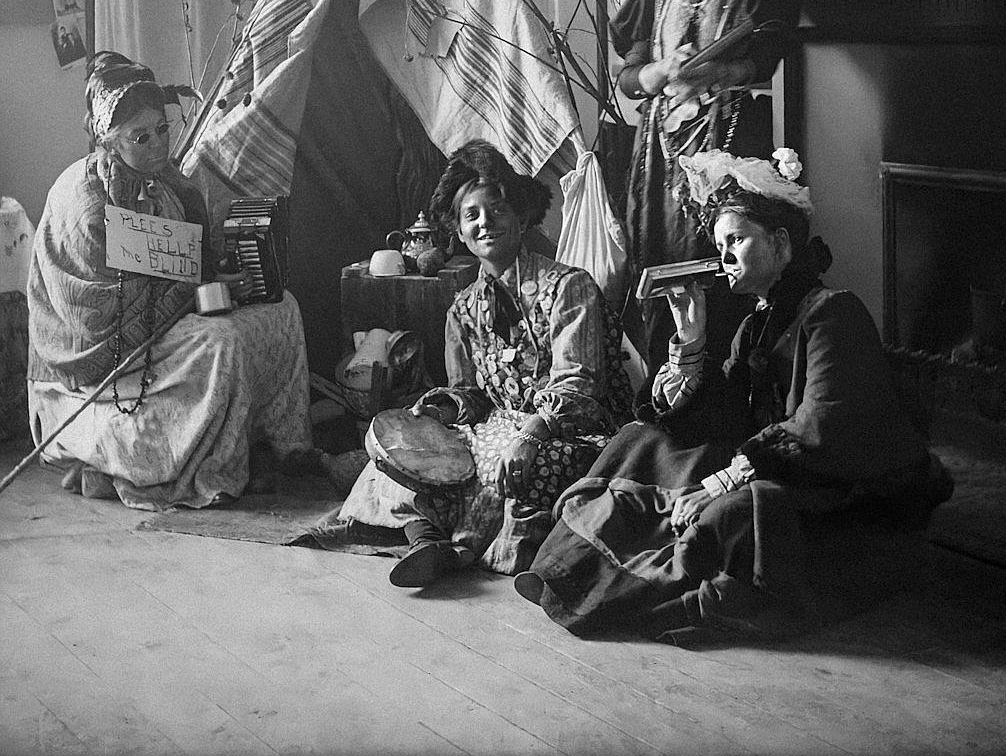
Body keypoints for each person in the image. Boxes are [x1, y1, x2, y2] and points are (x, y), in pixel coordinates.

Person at [514, 148, 953, 642]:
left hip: (839, 486)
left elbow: (822, 428)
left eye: (736, 241)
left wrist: (721, 481)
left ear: (781, 244)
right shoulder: (752, 328)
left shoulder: (834, 313)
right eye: (720, 244)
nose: (723, 258)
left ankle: (623, 597)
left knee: (729, 511)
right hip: (773, 466)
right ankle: (568, 573)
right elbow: (723, 419)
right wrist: (692, 340)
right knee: (640, 439)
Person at [335, 140, 634, 587]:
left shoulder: (570, 287)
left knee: (518, 463)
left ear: (521, 216)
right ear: (458, 229)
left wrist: (531, 433)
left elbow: (580, 384)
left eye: (497, 211)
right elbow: (471, 396)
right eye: (471, 215)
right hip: (496, 426)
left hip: (573, 430)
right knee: (405, 455)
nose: (485, 223)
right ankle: (427, 542)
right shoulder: (464, 306)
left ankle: (464, 547)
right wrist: (437, 413)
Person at [26, 52, 314, 509]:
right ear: (107, 140)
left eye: (162, 130)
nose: (159, 145)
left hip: (168, 317)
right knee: (223, 340)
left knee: (282, 308)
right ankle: (210, 467)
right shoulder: (85, 205)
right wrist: (199, 296)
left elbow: (188, 261)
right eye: (141, 137)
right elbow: (95, 320)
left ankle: (283, 445)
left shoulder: (167, 182)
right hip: (103, 351)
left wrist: (220, 280)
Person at [613, 0, 807, 380]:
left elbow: (763, 61)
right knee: (657, 265)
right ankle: (662, 397)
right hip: (657, 159)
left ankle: (718, 398)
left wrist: (716, 71)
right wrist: (654, 74)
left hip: (727, 150)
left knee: (720, 267)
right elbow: (626, 77)